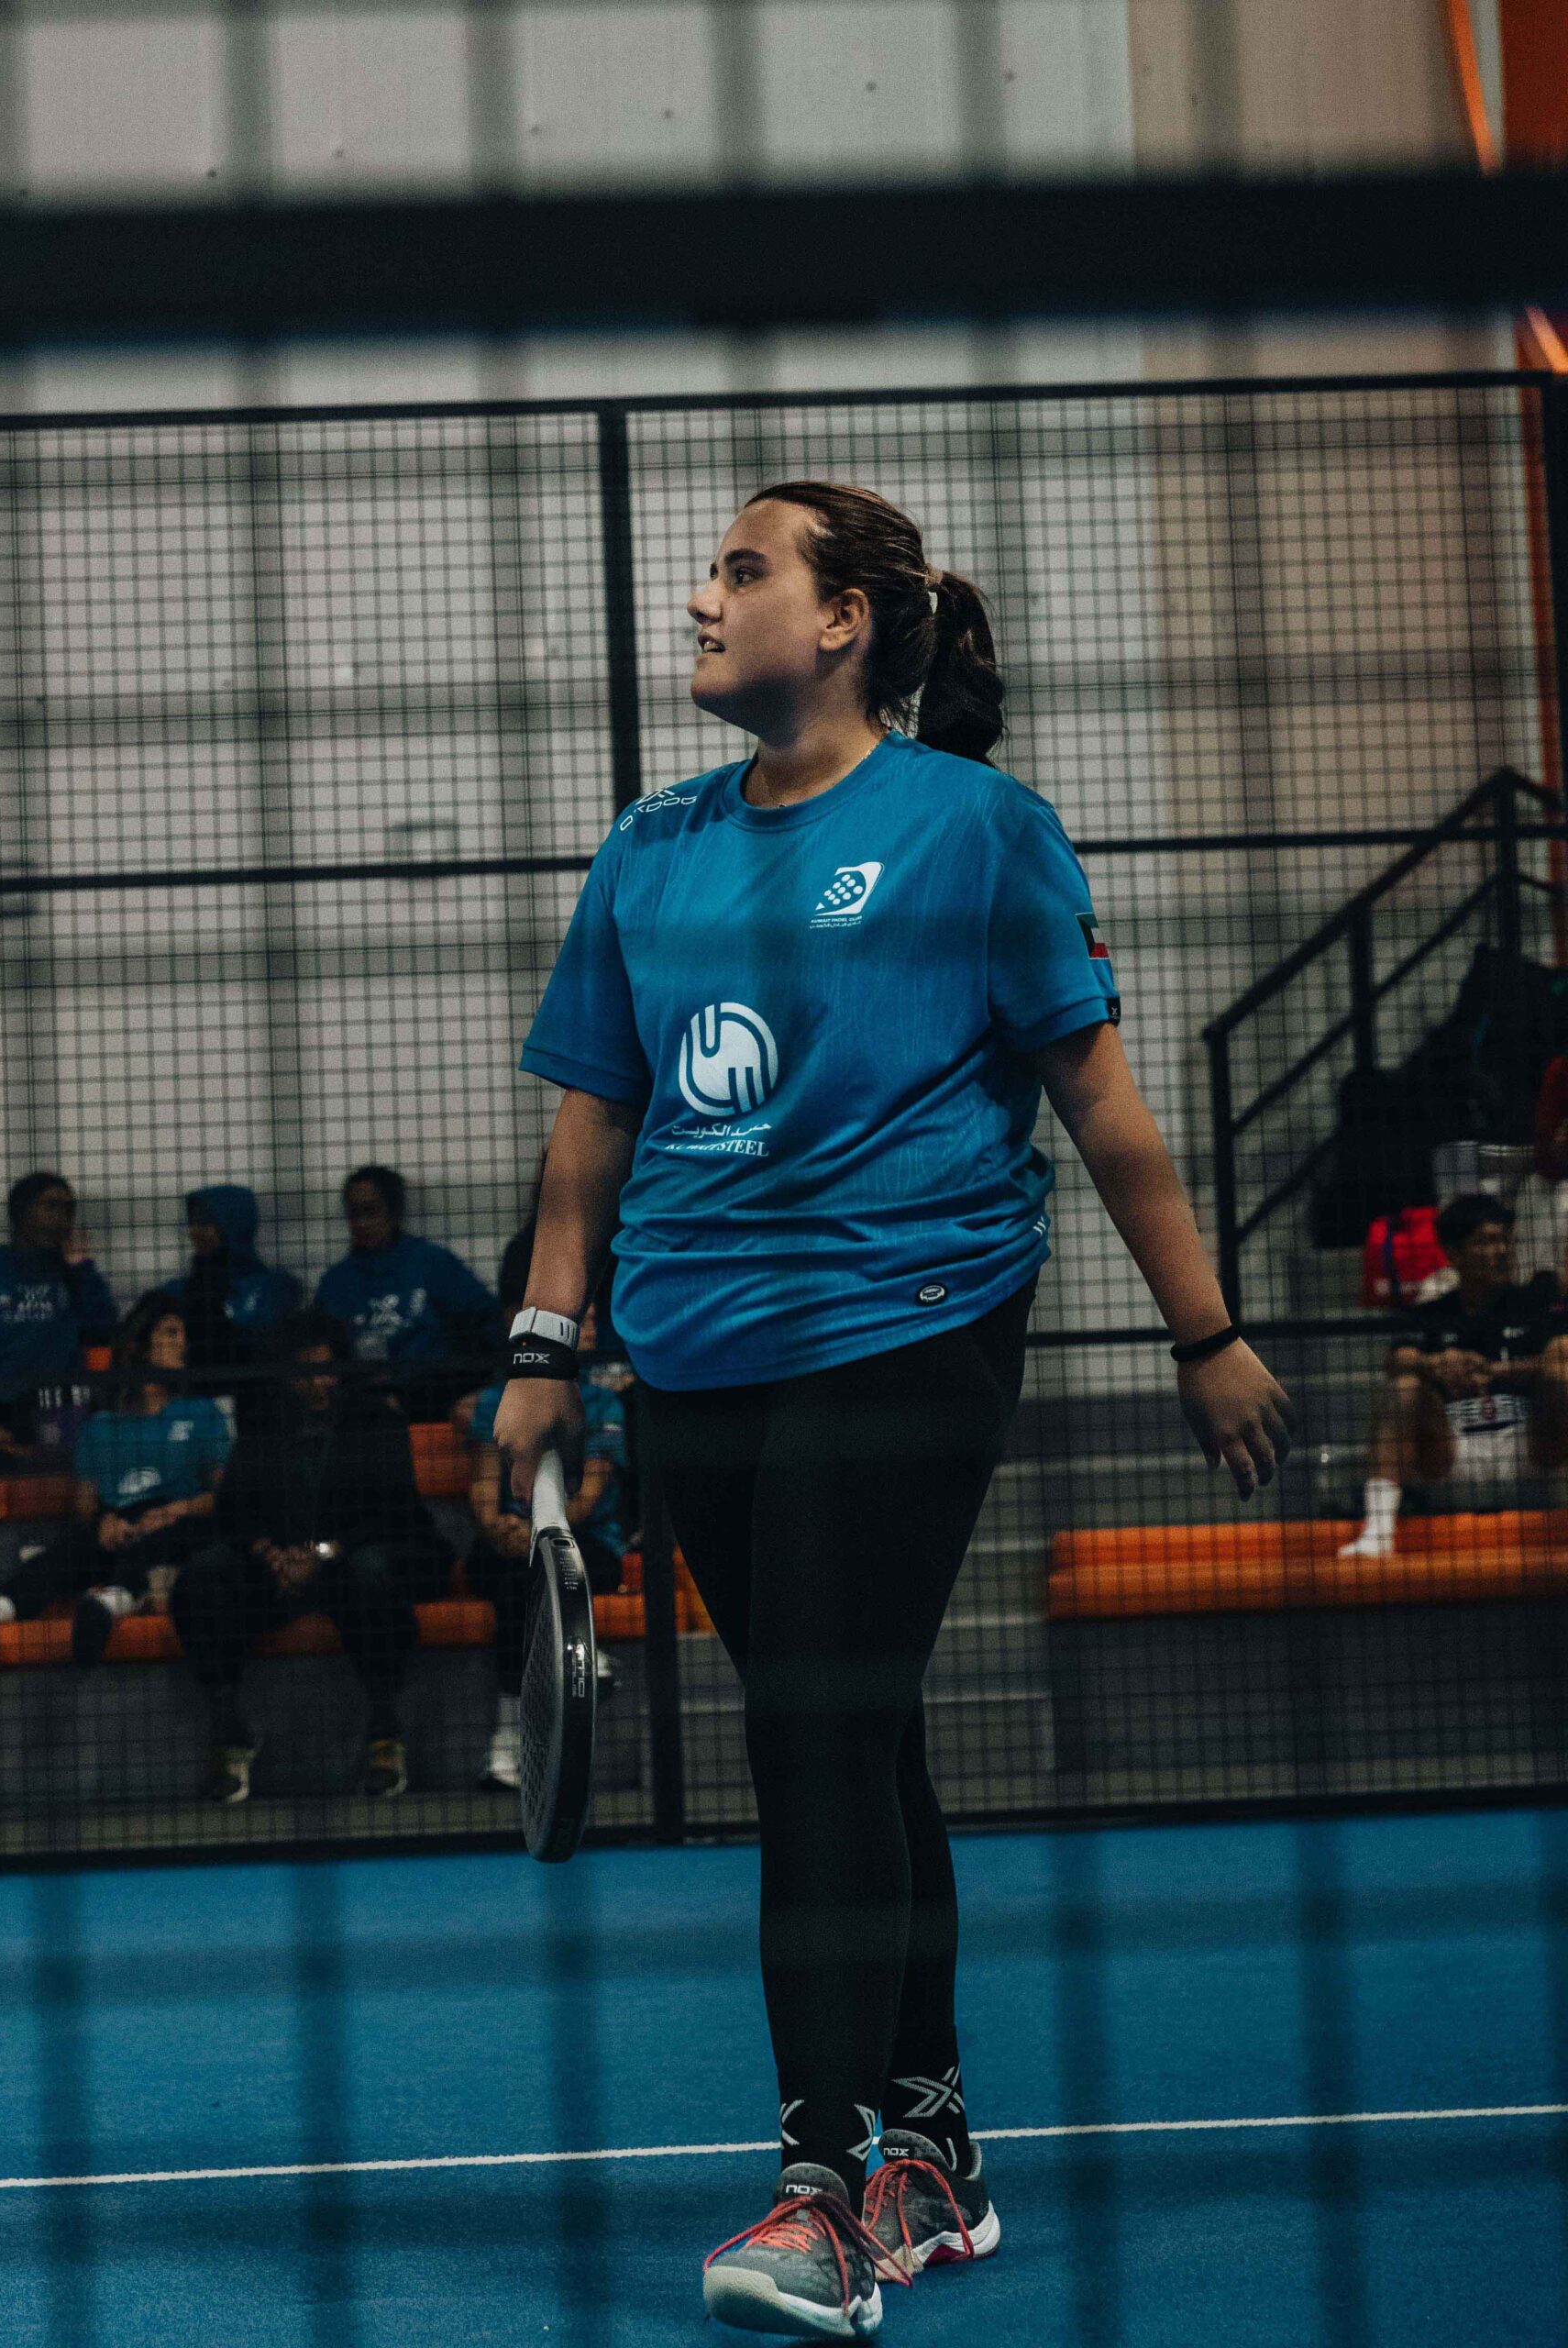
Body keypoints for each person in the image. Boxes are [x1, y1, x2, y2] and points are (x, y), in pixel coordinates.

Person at [491, 481, 1296, 2339]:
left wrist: (1203, 1334)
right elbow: (592, 1120)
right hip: (690, 1352)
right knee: (850, 1735)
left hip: (907, 1324)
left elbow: (1097, 1099)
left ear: (843, 619)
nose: (700, 600)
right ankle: (933, 2145)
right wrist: (543, 1345)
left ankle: (821, 2188)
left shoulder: (972, 828)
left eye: (740, 569)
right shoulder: (651, 846)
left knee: (810, 1741)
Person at [169, 1307, 453, 1805]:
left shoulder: (377, 1419)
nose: (319, 1382)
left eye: (326, 1369)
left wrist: (325, 1552)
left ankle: (385, 1732)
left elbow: (395, 1510)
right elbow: (234, 1507)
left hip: (351, 1559)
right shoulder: (264, 1422)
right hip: (279, 1566)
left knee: (372, 1573)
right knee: (203, 1576)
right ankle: (229, 1727)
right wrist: (268, 1552)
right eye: (305, 1373)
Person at [0, 1291, 229, 1668]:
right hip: (120, 1523)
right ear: (141, 1346)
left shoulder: (200, 1412)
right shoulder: (100, 1427)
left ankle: (112, 1604)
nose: (182, 1343)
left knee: (168, 1539)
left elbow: (225, 1495)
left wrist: (175, 1511)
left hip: (181, 1521)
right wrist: (103, 1521)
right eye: (170, 1332)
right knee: (71, 1549)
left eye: (184, 1334)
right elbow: (84, 1506)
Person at [1338, 1192, 1568, 1559]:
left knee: (1561, 1378)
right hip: (1454, 1451)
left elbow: (1562, 1354)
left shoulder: (1536, 1300)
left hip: (1530, 1448)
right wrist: (1439, 1364)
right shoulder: (1432, 1313)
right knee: (1404, 1386)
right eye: (1486, 1241)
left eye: (1505, 1240)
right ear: (1454, 1254)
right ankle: (1378, 1532)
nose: (1501, 1251)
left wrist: (1495, 1370)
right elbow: (1398, 1360)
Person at [463, 1301, 627, 1789]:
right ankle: (579, 1658)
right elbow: (483, 1486)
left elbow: (590, 1496)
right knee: (515, 1583)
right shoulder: (495, 1401)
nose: (590, 1328)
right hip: (508, 1546)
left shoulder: (603, 1403)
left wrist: (537, 1533)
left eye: (593, 1320)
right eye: (581, 1319)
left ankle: (510, 1740)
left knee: (537, 1579)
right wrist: (497, 1527)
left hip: (584, 1542)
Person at [0, 1172, 117, 1454]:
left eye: (69, 1209)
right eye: (51, 1206)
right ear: (21, 1212)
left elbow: (103, 1329)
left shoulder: (73, 1271)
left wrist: (83, 1270)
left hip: (62, 1402)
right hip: (2, 1404)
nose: (62, 1218)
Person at [314, 1165, 503, 1421]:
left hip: (432, 1391)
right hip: (365, 1398)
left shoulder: (430, 1262)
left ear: (395, 1213)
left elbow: (485, 1319)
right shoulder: (337, 1282)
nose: (361, 1223)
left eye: (371, 1211)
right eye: (354, 1213)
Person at [162, 1185, 302, 1407]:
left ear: (231, 1223)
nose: (195, 1231)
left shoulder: (274, 1287)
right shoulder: (178, 1291)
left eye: (206, 1222)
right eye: (193, 1222)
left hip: (260, 1408)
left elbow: (260, 1345)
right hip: (195, 1409)